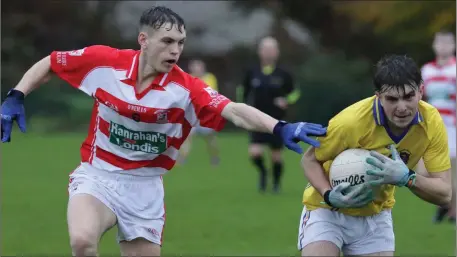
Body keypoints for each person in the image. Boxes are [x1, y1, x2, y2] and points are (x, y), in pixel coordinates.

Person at [0, 6, 327, 257]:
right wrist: (16, 96)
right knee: (83, 242)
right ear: (144, 40)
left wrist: (279, 126)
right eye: (167, 41)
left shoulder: (185, 89)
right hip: (98, 175)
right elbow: (52, 62)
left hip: (145, 188)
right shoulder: (105, 63)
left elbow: (233, 110)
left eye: (181, 43)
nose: (175, 50)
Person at [298, 54, 452, 256]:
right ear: (378, 96)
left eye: (408, 96)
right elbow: (308, 160)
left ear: (421, 91)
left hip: (375, 215)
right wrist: (329, 195)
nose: (402, 107)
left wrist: (408, 178)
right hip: (327, 211)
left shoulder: (431, 123)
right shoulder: (350, 123)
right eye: (392, 99)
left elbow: (445, 193)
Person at [241, 36, 300, 193]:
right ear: (259, 52)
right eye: (265, 49)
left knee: (276, 156)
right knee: (255, 153)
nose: (268, 52)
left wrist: (286, 100)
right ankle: (263, 173)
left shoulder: (284, 73)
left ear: (277, 52)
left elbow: (295, 93)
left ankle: (276, 184)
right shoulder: (252, 72)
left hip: (277, 120)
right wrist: (243, 107)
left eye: (271, 49)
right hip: (257, 119)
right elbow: (243, 91)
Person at [421, 30, 456, 223]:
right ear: (434, 45)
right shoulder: (427, 70)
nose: (443, 46)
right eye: (439, 43)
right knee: (424, 170)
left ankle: (450, 211)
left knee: (449, 170)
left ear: (453, 46)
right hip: (432, 126)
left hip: (452, 127)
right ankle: (445, 205)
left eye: (447, 43)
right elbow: (421, 99)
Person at [178, 59, 221, 166]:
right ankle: (183, 158)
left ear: (203, 68)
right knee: (187, 137)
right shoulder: (188, 78)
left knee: (209, 138)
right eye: (194, 67)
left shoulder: (210, 78)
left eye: (198, 67)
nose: (196, 69)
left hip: (206, 114)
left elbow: (212, 95)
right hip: (192, 113)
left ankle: (215, 156)